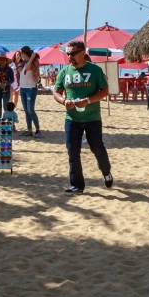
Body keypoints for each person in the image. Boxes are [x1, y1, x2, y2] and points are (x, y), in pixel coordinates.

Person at [53, 40, 113, 195]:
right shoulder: (65, 72)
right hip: (71, 119)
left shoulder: (94, 70)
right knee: (73, 152)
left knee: (97, 148)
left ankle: (106, 172)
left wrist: (87, 101)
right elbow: (56, 92)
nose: (69, 56)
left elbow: (105, 91)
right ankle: (77, 185)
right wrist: (64, 101)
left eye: (72, 53)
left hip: (92, 118)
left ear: (82, 52)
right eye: (67, 53)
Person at [17, 46, 41, 137]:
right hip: (23, 89)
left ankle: (38, 130)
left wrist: (31, 57)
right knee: (26, 111)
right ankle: (29, 130)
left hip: (31, 89)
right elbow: (21, 70)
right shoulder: (23, 63)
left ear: (24, 53)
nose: (21, 55)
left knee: (31, 110)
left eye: (22, 53)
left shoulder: (34, 62)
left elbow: (28, 68)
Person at [0, 54, 15, 118]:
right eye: (1, 60)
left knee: (6, 107)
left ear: (6, 61)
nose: (2, 61)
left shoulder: (10, 70)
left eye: (4, 60)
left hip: (6, 91)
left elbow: (12, 80)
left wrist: (7, 82)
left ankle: (5, 121)